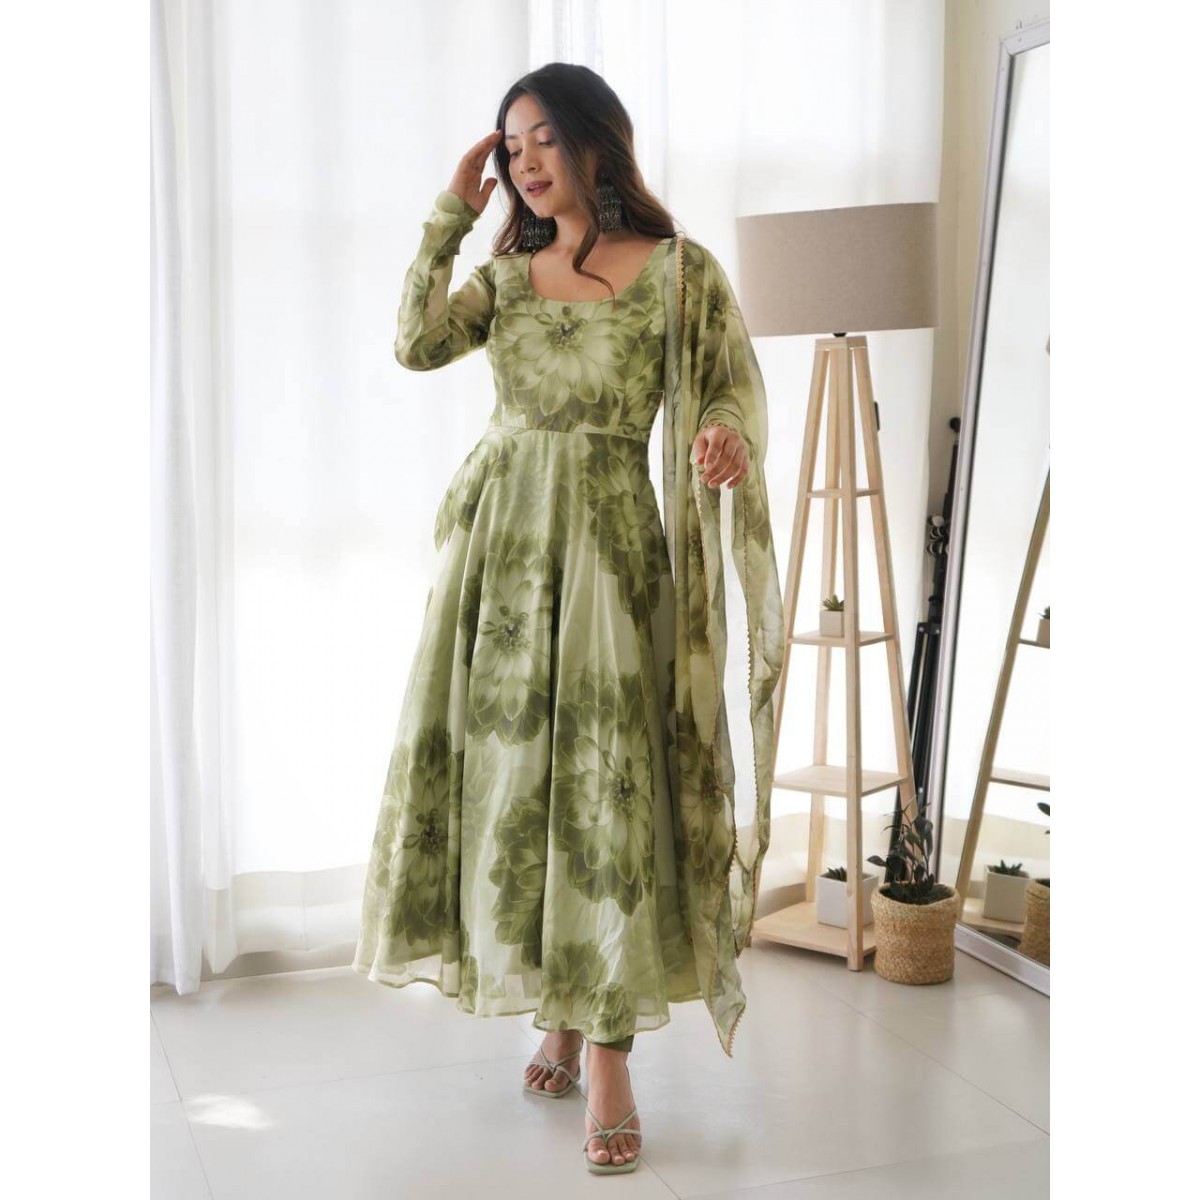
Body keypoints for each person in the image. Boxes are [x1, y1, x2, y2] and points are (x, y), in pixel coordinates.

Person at [353, 62, 785, 1176]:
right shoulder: (504, 279)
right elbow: (413, 344)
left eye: (542, 137)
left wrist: (723, 435)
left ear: (599, 139)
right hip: (498, 560)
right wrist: (450, 216)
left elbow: (730, 384)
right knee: (523, 791)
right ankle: (556, 1011)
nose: (525, 161)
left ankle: (605, 1058)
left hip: (608, 559)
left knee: (604, 800)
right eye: (511, 147)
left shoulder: (680, 274)